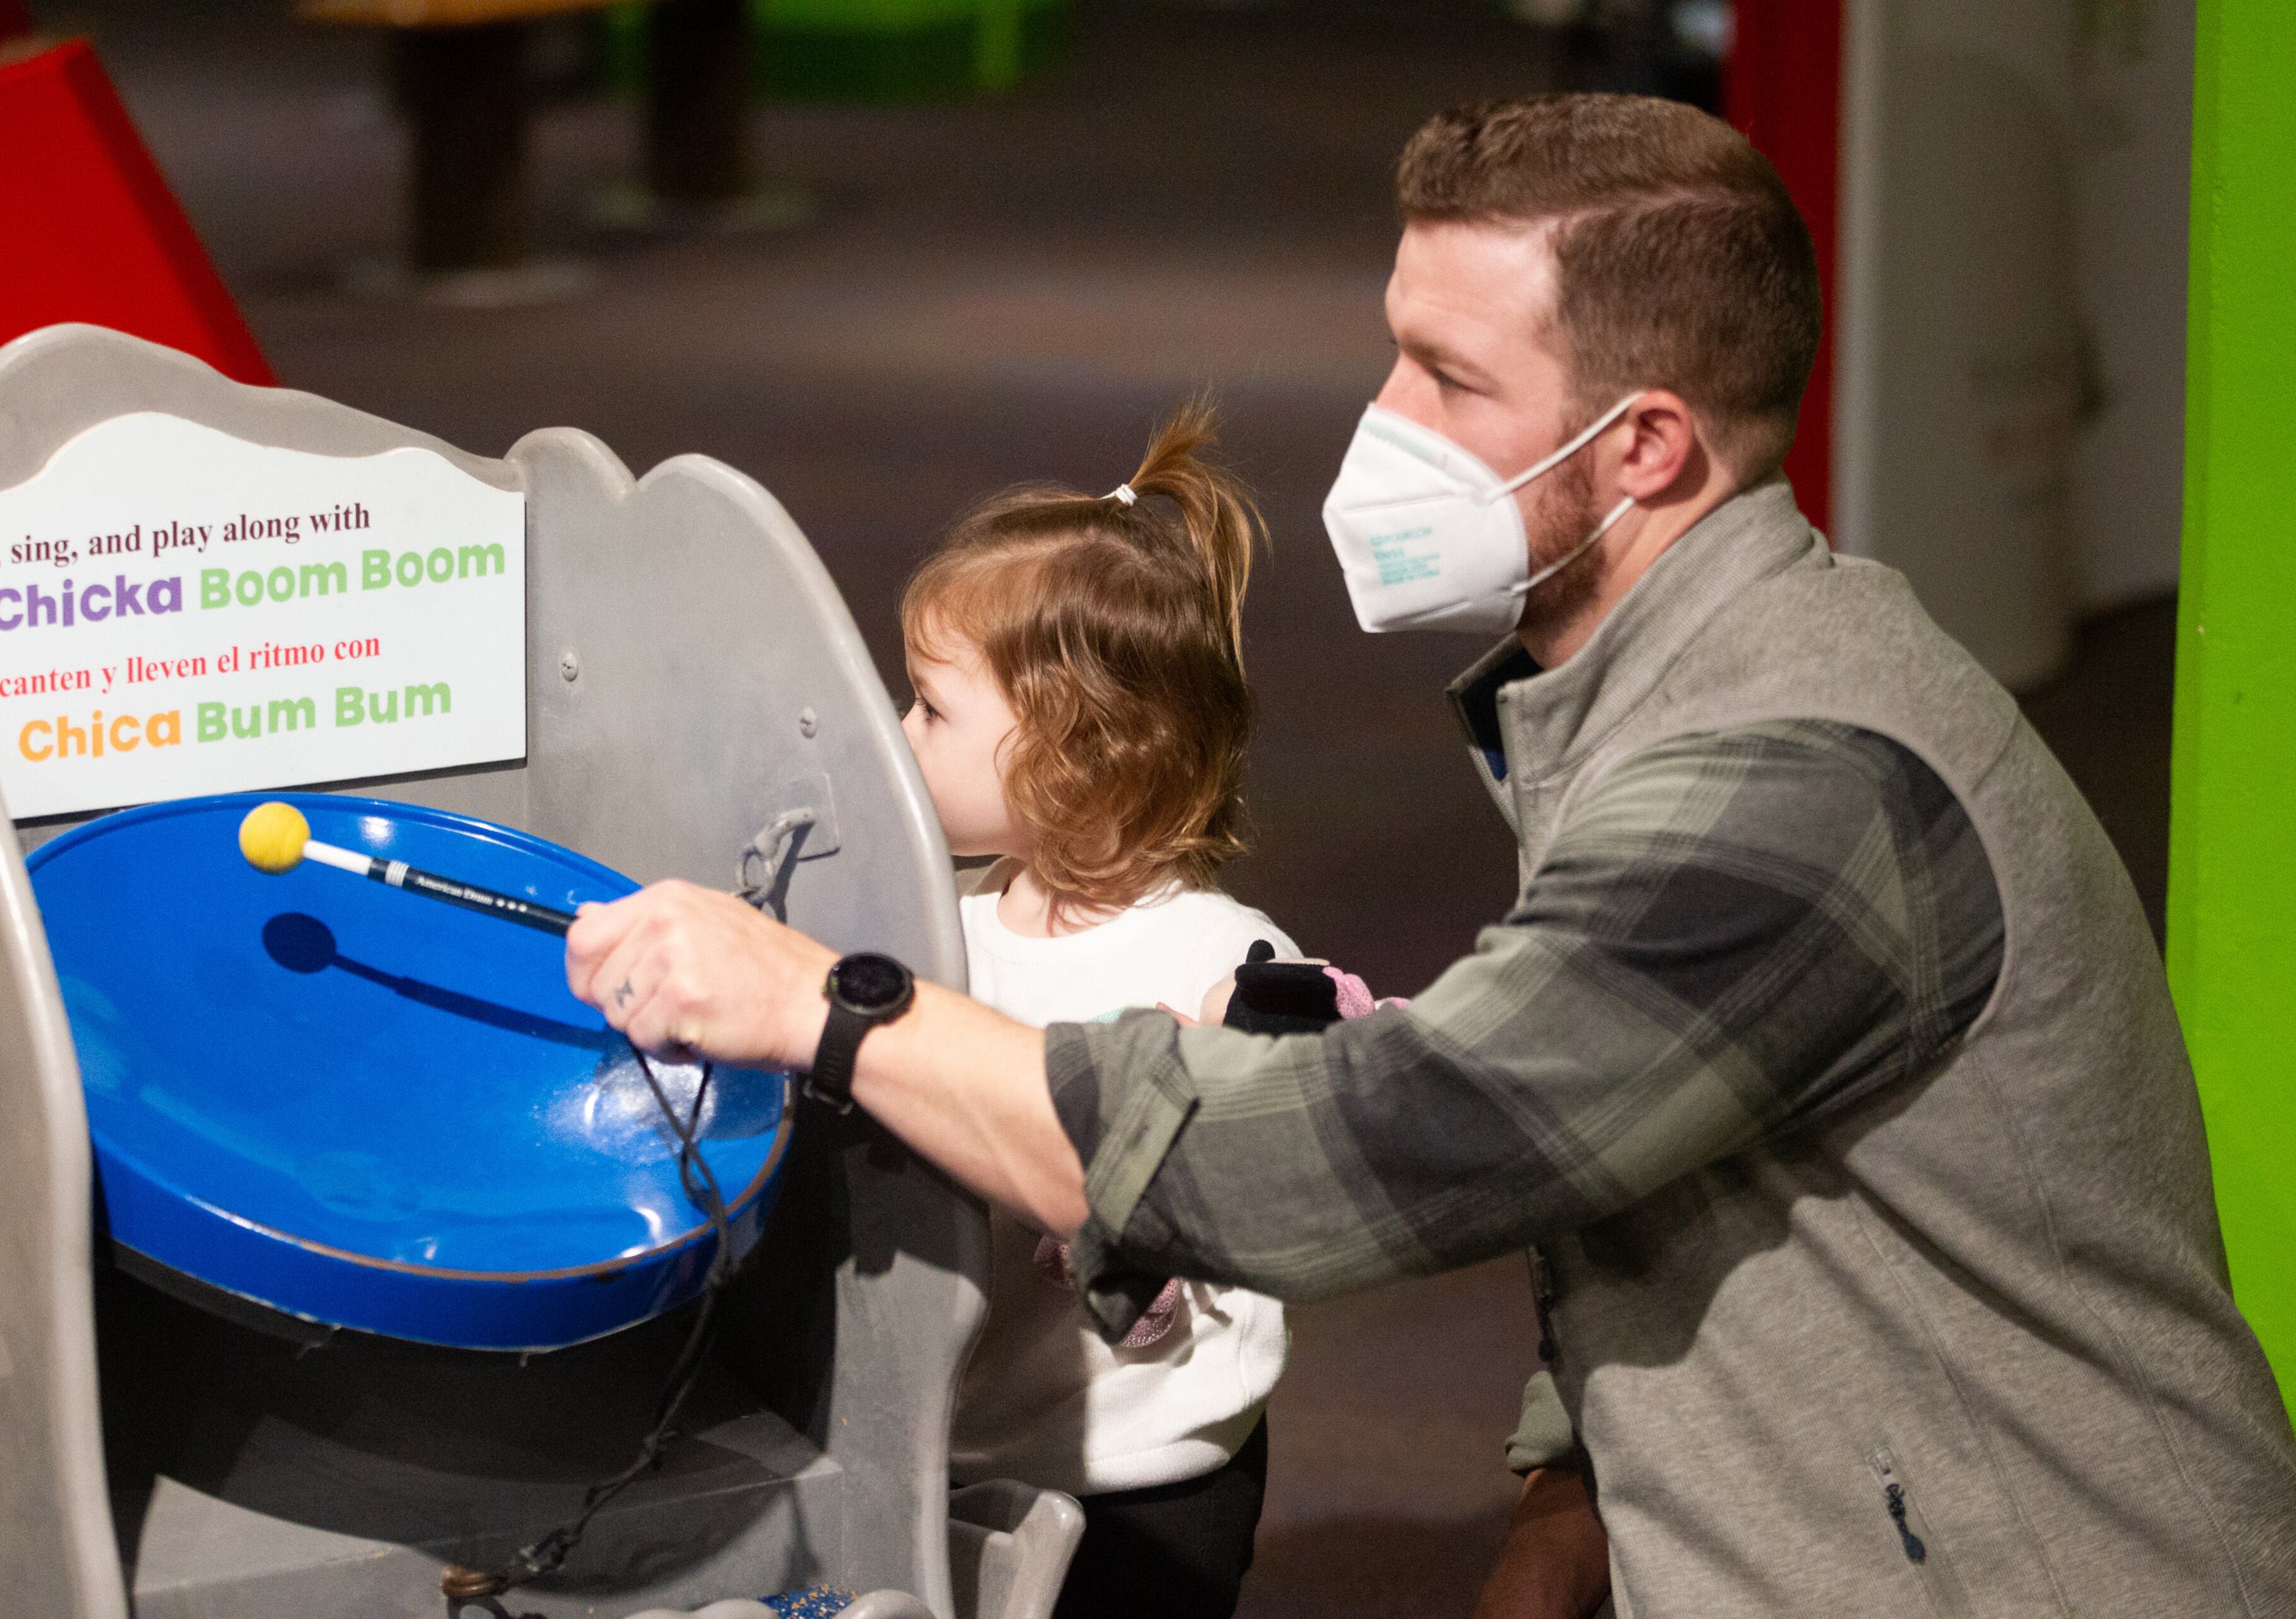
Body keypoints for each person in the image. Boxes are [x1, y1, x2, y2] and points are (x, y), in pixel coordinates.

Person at [567, 94, 2296, 1615]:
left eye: (1451, 380)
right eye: (1397, 347)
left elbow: (1385, 1146)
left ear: (1644, 449)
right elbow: (1657, 1149)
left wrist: (835, 1003)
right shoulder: (1644, 690)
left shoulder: (1801, 783)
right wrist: (1577, 1488)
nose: (1380, 420)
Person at [900, 400, 1295, 1619]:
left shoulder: (1224, 962)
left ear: (1074, 754)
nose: (896, 731)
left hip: (1146, 1479)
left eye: (930, 708)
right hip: (960, 1445)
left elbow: (1287, 1187)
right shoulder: (933, 924)